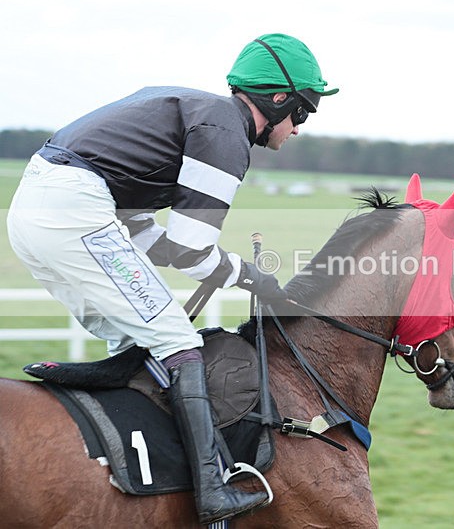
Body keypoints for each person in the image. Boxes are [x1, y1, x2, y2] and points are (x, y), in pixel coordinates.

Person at [6, 33, 338, 524]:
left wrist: (234, 274)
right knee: (176, 338)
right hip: (71, 212)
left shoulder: (193, 114)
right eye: (303, 113)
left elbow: (145, 234)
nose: (299, 128)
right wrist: (249, 277)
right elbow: (188, 248)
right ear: (278, 99)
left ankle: (133, 480)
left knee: (135, 338)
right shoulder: (225, 132)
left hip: (38, 212)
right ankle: (211, 490)